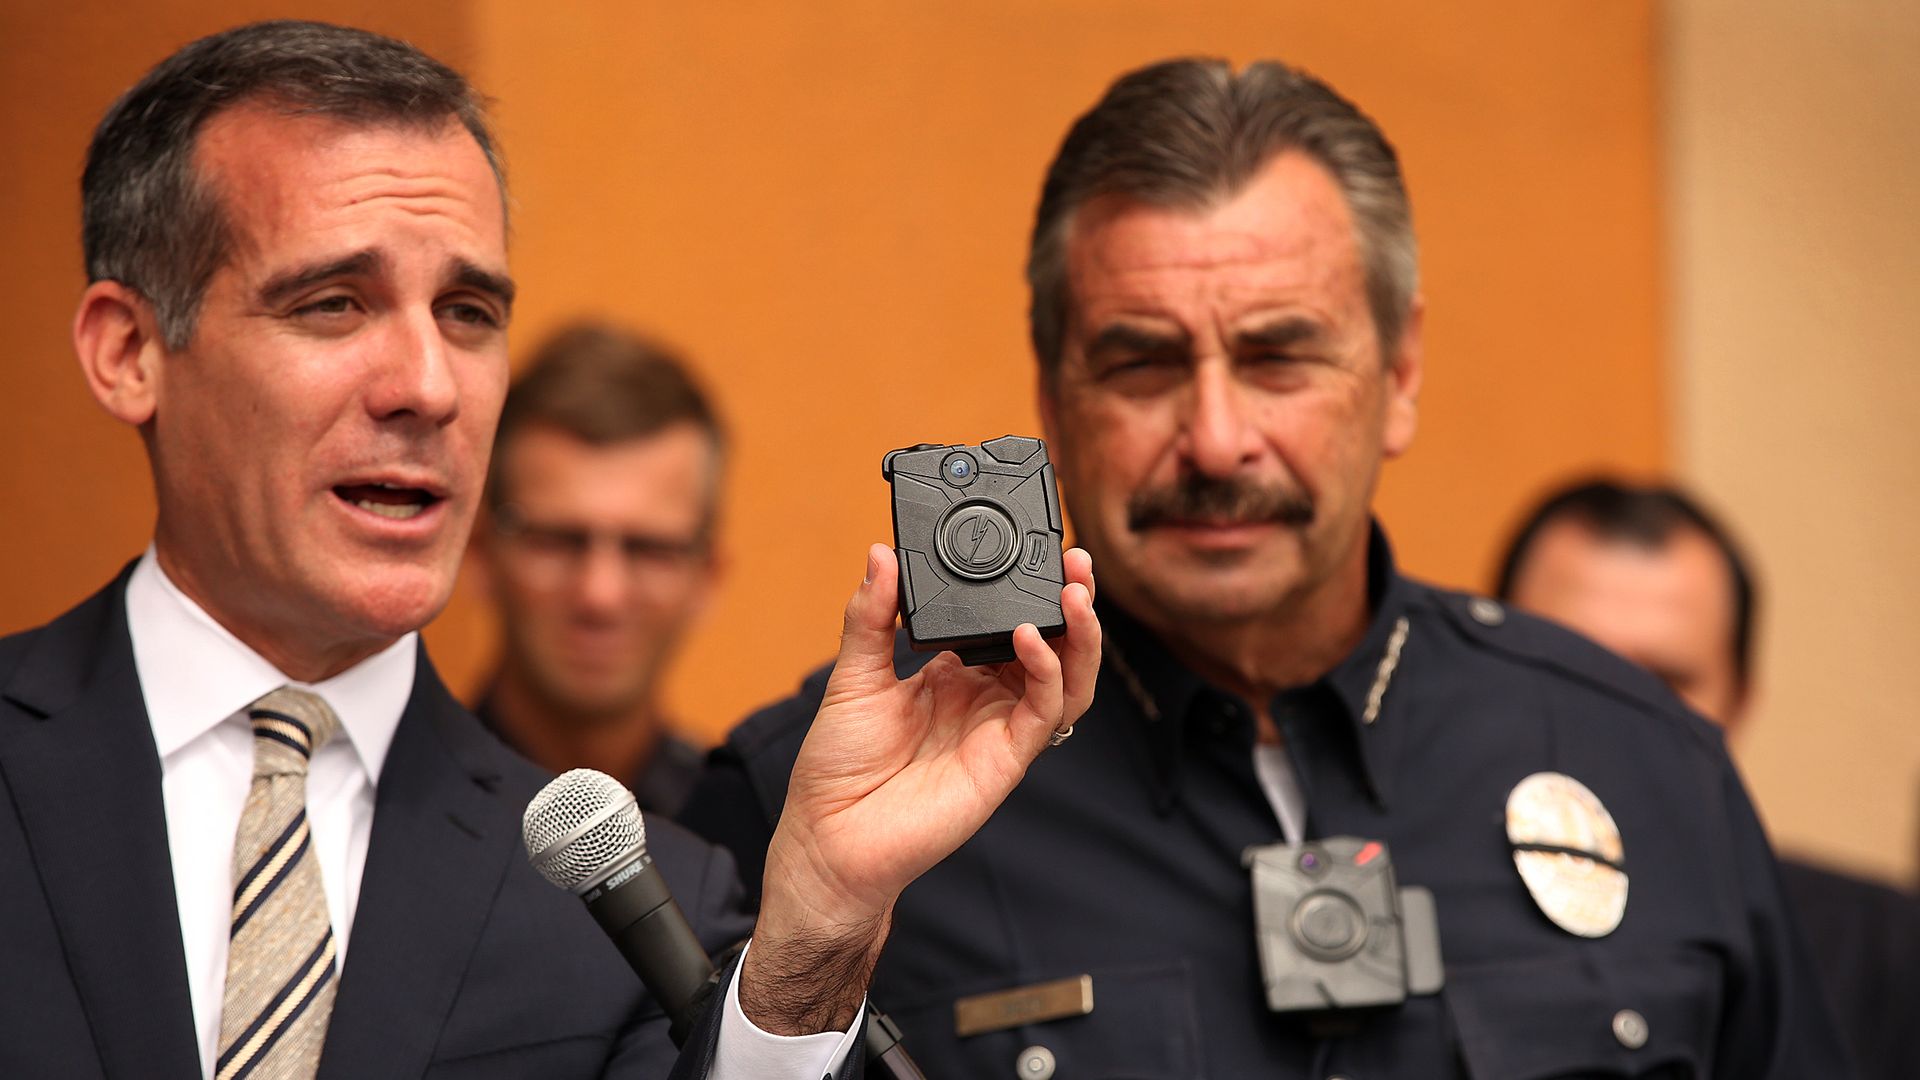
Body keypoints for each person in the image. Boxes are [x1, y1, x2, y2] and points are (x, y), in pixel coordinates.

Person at [681, 57, 1852, 1076]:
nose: (1216, 438)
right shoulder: (832, 811)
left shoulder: (1641, 760)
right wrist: (812, 953)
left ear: (1398, 377)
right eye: (1141, 363)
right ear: (1052, 398)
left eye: (1279, 353)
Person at [0, 20, 1099, 1079]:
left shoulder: (640, 902)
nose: (429, 387)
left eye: (470, 313)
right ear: (131, 351)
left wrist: (819, 932)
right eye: (335, 304)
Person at [1497, 477, 1920, 1080]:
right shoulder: (1409, 919)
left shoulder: (1886, 956)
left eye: (1663, 685)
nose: (1612, 720)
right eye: (1573, 672)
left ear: (1739, 705)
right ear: (1484, 683)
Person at [468, 322, 723, 817]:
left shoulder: (752, 844)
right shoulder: (379, 817)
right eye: (557, 541)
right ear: (480, 553)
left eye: (649, 549)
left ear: (707, 576)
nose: (599, 595)